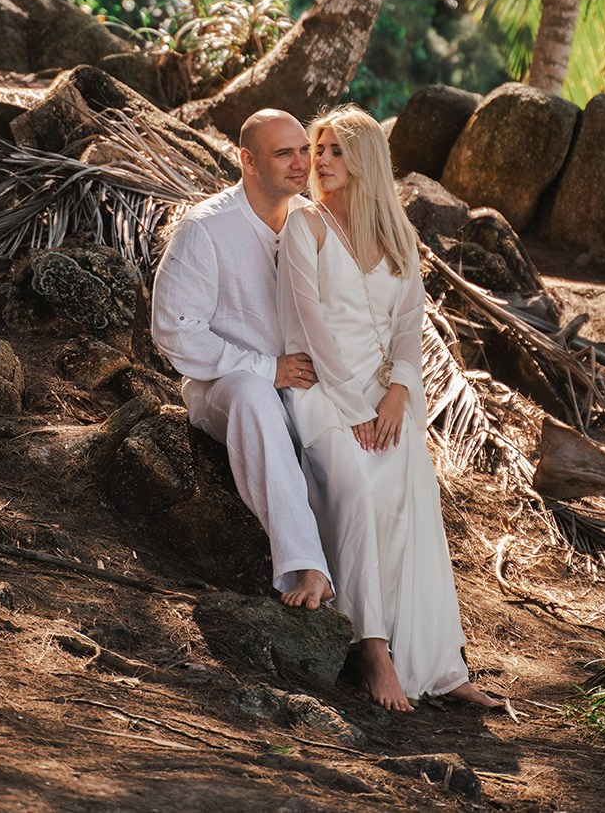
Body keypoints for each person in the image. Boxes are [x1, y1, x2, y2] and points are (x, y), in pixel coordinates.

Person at [277, 104, 498, 712]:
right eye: (318, 149)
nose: (320, 160)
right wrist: (354, 408)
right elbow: (309, 324)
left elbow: (409, 325)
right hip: (322, 392)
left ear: (366, 158)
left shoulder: (399, 234)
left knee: (412, 504)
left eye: (335, 150)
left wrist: (398, 393)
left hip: (389, 398)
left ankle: (442, 665)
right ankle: (372, 651)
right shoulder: (306, 225)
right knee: (359, 488)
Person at [151, 108, 332, 610]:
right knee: (254, 396)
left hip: (302, 386)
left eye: (305, 150)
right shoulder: (206, 228)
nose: (301, 163)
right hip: (223, 386)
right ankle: (305, 565)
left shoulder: (313, 222)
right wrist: (265, 369)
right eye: (284, 154)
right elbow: (174, 328)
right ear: (248, 161)